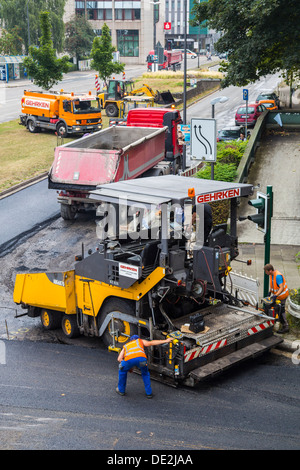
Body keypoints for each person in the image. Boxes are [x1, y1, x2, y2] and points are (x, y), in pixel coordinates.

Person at [264, 263, 289, 333]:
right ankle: (275, 322)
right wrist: (269, 292)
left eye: (266, 271)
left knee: (281, 311)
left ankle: (285, 327)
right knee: (275, 308)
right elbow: (272, 285)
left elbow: (281, 288)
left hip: (282, 296)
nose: (266, 273)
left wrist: (275, 295)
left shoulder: (277, 276)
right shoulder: (271, 275)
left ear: (270, 270)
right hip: (278, 296)